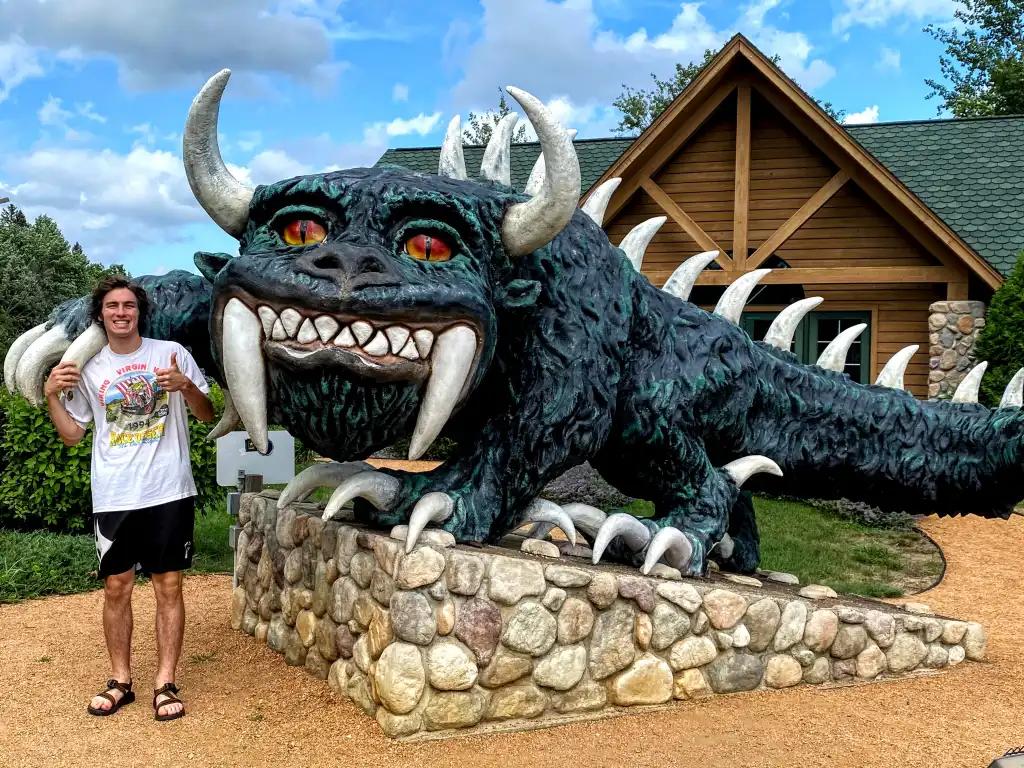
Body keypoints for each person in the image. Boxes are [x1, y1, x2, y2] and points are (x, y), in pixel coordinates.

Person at [44, 276, 214, 721]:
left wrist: (185, 386)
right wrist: (50, 396)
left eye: (129, 306)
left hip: (169, 489)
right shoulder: (90, 368)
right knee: (116, 586)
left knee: (168, 586)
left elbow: (206, 413)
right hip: (115, 492)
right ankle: (121, 680)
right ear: (100, 315)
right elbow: (72, 435)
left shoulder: (171, 354)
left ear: (140, 312)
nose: (122, 313)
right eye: (113, 306)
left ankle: (166, 682)